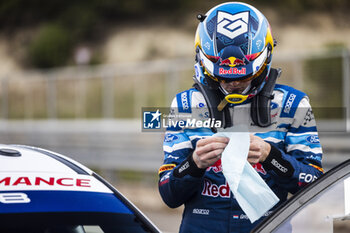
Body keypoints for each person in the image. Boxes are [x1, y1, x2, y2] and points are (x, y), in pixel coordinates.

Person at [158, 2, 323, 232]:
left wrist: (271, 156)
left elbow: (316, 187)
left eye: (244, 77)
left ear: (263, 63)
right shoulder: (185, 105)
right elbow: (168, 194)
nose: (234, 84)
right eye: (224, 78)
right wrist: (194, 164)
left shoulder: (293, 104)